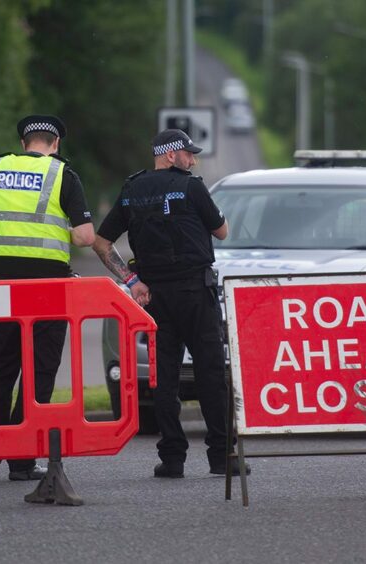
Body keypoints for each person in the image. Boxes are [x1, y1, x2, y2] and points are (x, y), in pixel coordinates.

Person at [92, 129, 249, 479]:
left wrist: (132, 282)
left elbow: (101, 243)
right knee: (210, 375)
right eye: (188, 154)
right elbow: (222, 231)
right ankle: (222, 457)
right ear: (170, 154)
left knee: (164, 378)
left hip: (154, 296)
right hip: (195, 293)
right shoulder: (192, 186)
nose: (192, 160)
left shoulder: (132, 190)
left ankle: (173, 459)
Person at [0, 115, 95, 481]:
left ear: (23, 143)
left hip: (1, 288)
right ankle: (21, 459)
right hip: (47, 290)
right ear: (55, 145)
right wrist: (53, 233)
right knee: (38, 372)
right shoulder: (61, 174)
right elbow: (85, 237)